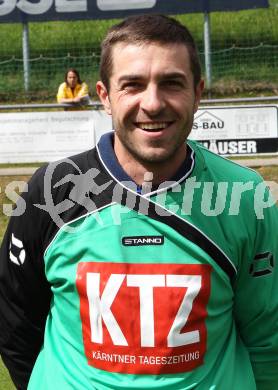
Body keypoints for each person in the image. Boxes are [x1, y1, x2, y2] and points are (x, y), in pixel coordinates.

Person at [0, 14, 277, 390]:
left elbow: (267, 337)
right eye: (132, 85)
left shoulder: (246, 196)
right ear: (104, 97)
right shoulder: (48, 192)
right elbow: (15, 320)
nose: (153, 103)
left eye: (171, 83)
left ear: (198, 93)